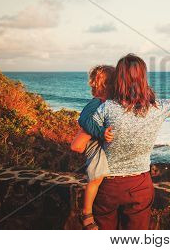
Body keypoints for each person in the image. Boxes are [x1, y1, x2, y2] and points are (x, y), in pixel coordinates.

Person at [81, 53, 170, 229]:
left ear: (118, 79)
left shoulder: (106, 108)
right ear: (143, 78)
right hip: (140, 185)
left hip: (108, 186)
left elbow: (79, 143)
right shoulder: (156, 108)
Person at [70, 65, 115, 230]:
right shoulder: (97, 102)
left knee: (99, 177)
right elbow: (83, 120)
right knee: (95, 179)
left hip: (97, 142)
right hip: (94, 144)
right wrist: (101, 132)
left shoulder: (107, 102)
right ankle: (87, 213)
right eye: (111, 83)